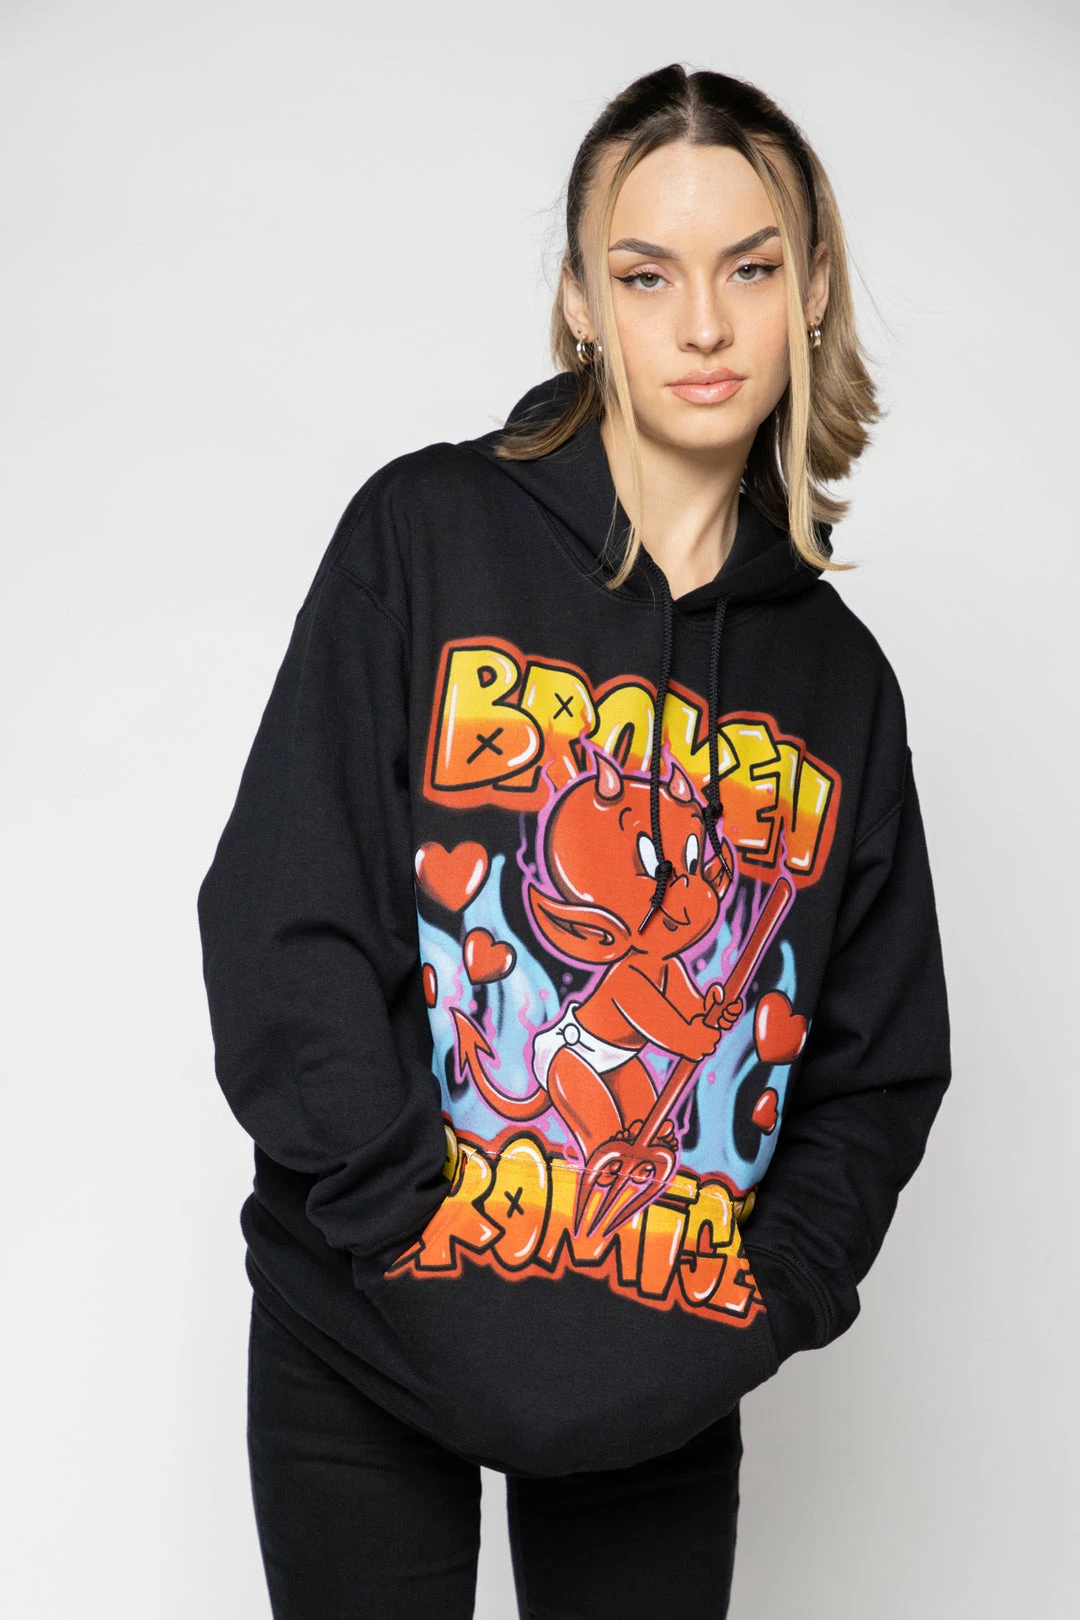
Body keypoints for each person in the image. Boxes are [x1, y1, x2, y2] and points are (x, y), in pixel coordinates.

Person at [197, 62, 952, 1620]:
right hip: (364, 1328)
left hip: (658, 1383)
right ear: (579, 302)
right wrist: (409, 1230)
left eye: (751, 269)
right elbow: (283, 923)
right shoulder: (425, 535)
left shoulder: (838, 684)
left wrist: (759, 1300)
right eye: (647, 272)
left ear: (813, 292)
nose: (703, 324)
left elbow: (879, 1067)